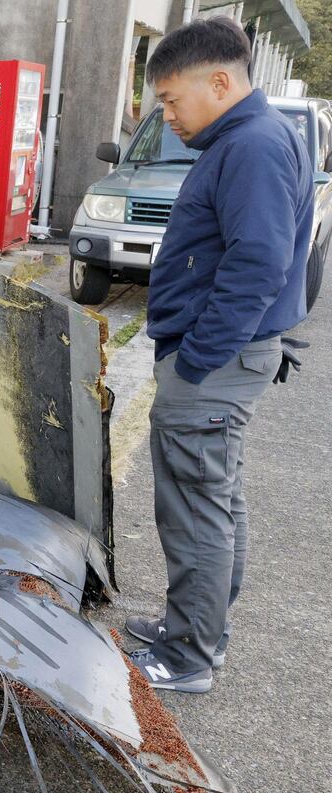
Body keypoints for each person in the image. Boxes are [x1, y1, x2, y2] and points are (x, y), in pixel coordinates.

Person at [126, 16, 311, 693]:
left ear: (222, 81)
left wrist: (197, 359)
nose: (167, 114)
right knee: (217, 498)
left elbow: (259, 264)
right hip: (227, 356)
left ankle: (187, 659)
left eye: (172, 99)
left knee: (195, 506)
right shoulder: (248, 139)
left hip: (215, 363)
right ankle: (197, 632)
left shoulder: (254, 146)